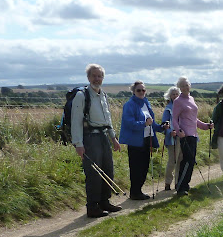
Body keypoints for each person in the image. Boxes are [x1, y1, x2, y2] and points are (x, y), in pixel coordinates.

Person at [71, 63, 122, 218]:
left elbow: (108, 120)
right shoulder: (81, 96)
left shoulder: (103, 95)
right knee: (94, 174)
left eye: (99, 76)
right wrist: (78, 144)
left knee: (108, 170)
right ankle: (92, 207)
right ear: (88, 77)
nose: (97, 79)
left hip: (103, 137)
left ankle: (104, 202)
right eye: (94, 75)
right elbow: (76, 121)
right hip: (90, 138)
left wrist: (113, 138)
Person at [118, 81, 167, 200]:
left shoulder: (146, 103)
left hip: (146, 139)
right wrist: (144, 123)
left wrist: (161, 127)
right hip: (135, 141)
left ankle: (138, 191)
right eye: (138, 90)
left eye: (143, 90)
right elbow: (129, 123)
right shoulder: (129, 105)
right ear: (133, 92)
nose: (141, 92)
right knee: (136, 168)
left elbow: (152, 124)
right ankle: (134, 192)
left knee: (144, 166)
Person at [171, 76, 213, 196]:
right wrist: (179, 131)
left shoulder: (191, 98)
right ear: (180, 87)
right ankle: (180, 187)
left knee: (191, 160)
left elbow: (194, 119)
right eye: (182, 85)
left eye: (186, 85)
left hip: (193, 134)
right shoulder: (178, 101)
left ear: (190, 85)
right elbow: (174, 119)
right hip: (185, 135)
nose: (185, 87)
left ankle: (185, 185)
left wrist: (206, 126)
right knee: (188, 160)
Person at [161, 85, 181, 191]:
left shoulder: (182, 106)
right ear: (170, 96)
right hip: (172, 138)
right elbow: (164, 123)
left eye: (177, 94)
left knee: (180, 160)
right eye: (173, 94)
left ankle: (178, 182)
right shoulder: (168, 109)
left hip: (182, 137)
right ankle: (168, 182)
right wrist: (169, 132)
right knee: (172, 161)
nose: (175, 96)